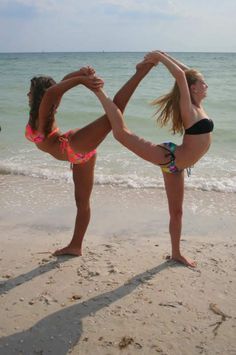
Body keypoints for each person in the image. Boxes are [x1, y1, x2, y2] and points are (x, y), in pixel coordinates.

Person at [93, 51, 214, 267]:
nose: (207, 85)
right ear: (193, 88)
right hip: (169, 158)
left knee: (176, 212)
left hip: (176, 167)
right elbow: (180, 75)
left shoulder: (197, 105)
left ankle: (176, 252)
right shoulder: (188, 106)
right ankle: (99, 92)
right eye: (203, 83)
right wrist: (158, 55)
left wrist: (163, 55)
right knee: (121, 134)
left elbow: (185, 73)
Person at [25, 62, 154, 256]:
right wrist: (80, 75)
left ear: (37, 95)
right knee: (82, 202)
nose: (27, 95)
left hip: (73, 146)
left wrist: (82, 79)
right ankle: (75, 246)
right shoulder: (43, 111)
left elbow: (54, 91)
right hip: (78, 155)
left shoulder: (43, 114)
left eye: (30, 91)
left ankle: (141, 72)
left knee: (115, 110)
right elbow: (60, 87)